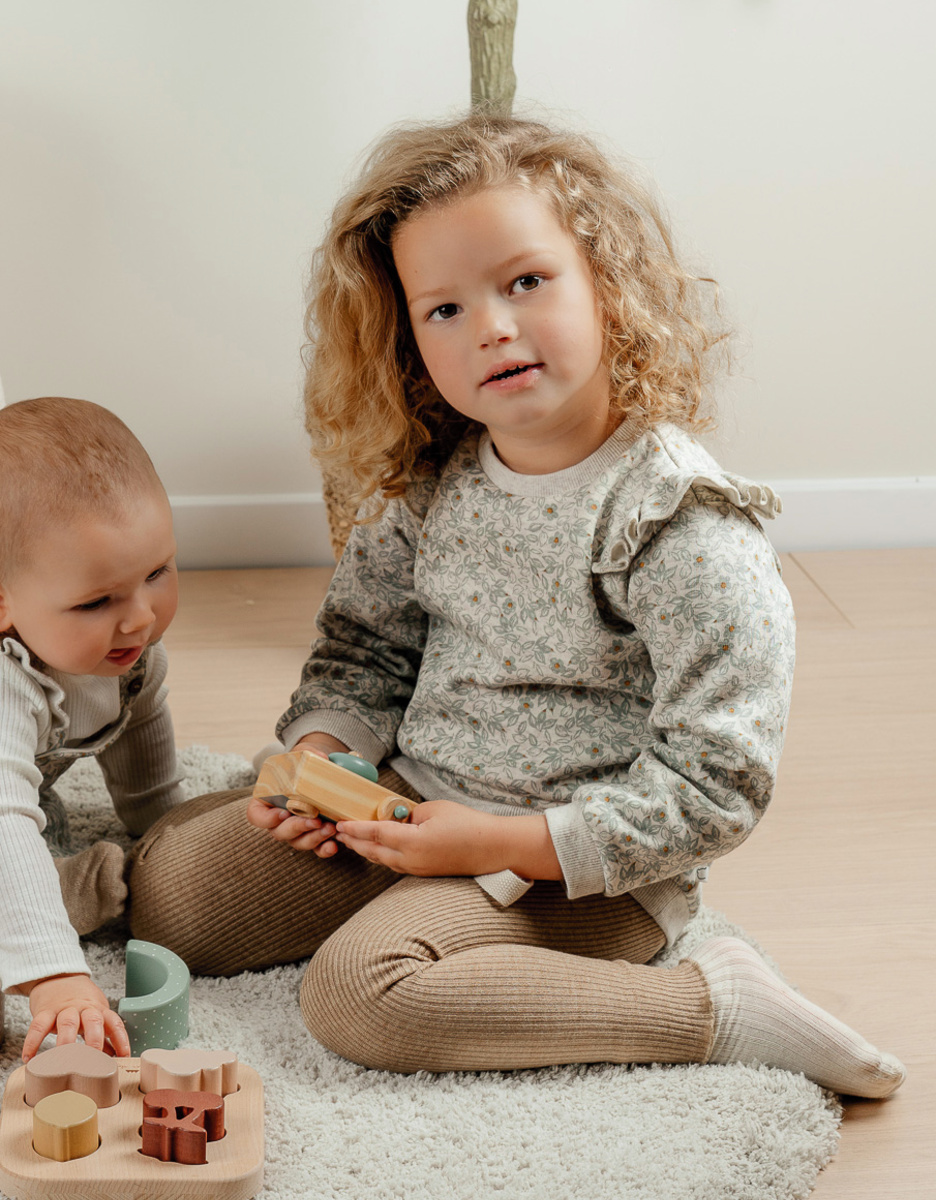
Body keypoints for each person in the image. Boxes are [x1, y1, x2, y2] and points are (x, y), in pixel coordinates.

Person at [129, 113, 904, 1097]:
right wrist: (321, 761)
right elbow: (363, 652)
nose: (491, 326)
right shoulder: (432, 484)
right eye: (443, 309)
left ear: (608, 285)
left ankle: (711, 1005)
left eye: (526, 282)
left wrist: (497, 843)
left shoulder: (682, 525)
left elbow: (715, 789)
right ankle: (398, 902)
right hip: (414, 801)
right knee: (170, 899)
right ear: (409, 341)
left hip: (579, 866)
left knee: (361, 994)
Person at [0, 396, 182, 1061]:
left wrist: (166, 828)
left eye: (156, 573)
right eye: (97, 601)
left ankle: (62, 883)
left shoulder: (130, 653)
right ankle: (64, 893)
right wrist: (55, 975)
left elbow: (141, 732)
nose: (140, 618)